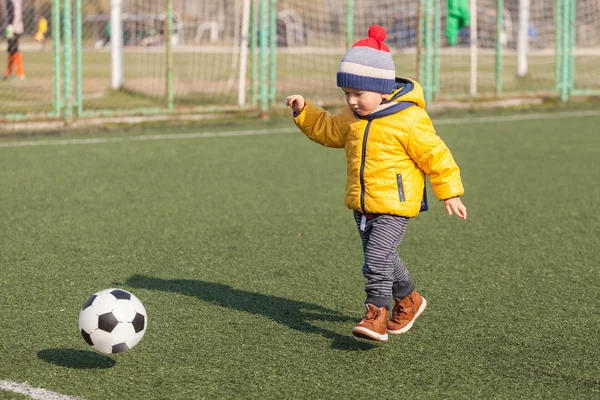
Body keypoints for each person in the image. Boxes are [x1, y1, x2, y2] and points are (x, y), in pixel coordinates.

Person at [285, 25, 467, 343]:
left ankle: (376, 315)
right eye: (348, 94)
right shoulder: (351, 118)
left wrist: (449, 191)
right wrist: (305, 111)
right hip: (362, 202)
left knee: (376, 259)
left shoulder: (409, 119)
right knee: (383, 257)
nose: (353, 101)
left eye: (359, 94)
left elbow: (436, 155)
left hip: (395, 204)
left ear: (381, 89)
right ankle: (410, 300)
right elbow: (327, 130)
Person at [2, 0, 25, 80]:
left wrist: (10, 26)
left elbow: (11, 12)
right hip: (17, 26)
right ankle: (9, 73)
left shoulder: (10, 1)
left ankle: (20, 74)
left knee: (14, 49)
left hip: (14, 28)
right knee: (11, 50)